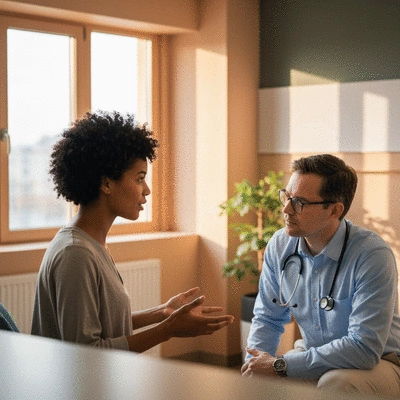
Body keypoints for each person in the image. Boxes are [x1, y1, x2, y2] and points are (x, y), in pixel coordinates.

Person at [31, 110, 234, 352]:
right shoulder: (76, 254)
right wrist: (168, 329)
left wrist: (162, 313)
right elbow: (85, 354)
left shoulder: (90, 243)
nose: (147, 190)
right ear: (106, 183)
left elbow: (105, 325)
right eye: (139, 178)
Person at [241, 154, 400, 396]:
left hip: (381, 361)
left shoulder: (371, 254)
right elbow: (268, 319)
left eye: (300, 202)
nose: (286, 209)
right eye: (287, 196)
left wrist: (280, 365)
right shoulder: (280, 245)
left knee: (336, 384)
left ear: (335, 210)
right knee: (267, 386)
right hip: (315, 352)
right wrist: (252, 372)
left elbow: (364, 349)